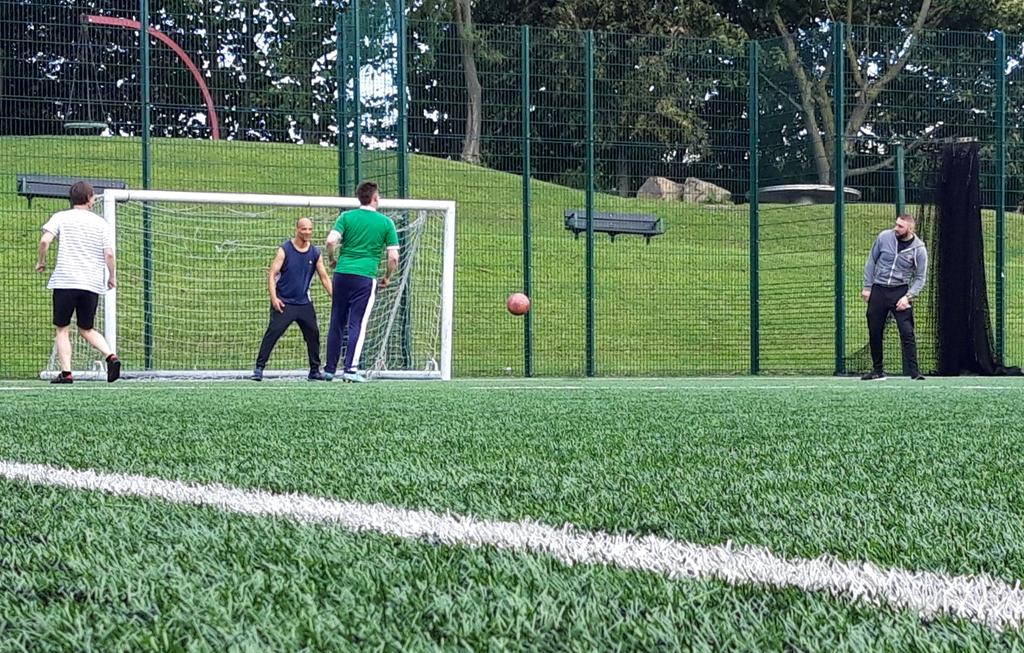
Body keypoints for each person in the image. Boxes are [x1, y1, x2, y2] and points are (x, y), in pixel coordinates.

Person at [35, 181, 121, 384]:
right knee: (86, 328)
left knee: (62, 328)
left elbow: (45, 241)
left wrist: (41, 262)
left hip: (65, 280)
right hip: (91, 283)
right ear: (90, 198)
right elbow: (108, 254)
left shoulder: (61, 217)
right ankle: (111, 356)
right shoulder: (101, 223)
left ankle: (66, 373)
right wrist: (112, 276)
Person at [323, 181, 399, 382]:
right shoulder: (385, 223)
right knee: (357, 322)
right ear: (374, 198)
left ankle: (329, 369)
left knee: (337, 321)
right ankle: (350, 370)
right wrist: (387, 277)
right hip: (364, 277)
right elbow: (393, 257)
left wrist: (332, 259)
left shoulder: (346, 217)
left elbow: (330, 241)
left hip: (341, 275)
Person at [251, 217, 333, 381]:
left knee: (313, 335)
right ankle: (259, 368)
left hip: (304, 303)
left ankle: (314, 370)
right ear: (297, 229)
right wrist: (274, 298)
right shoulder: (285, 249)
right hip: (284, 302)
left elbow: (324, 277)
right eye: (304, 229)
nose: (307, 232)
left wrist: (335, 297)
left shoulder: (315, 253)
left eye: (310, 229)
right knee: (273, 333)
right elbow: (272, 274)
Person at [861, 213, 929, 381]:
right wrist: (867, 287)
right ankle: (877, 370)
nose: (896, 228)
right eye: (896, 224)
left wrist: (908, 296)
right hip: (879, 289)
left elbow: (920, 278)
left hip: (900, 291)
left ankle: (914, 372)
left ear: (910, 228)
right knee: (875, 330)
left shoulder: (919, 249)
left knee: (907, 332)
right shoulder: (884, 237)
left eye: (900, 226)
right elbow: (871, 261)